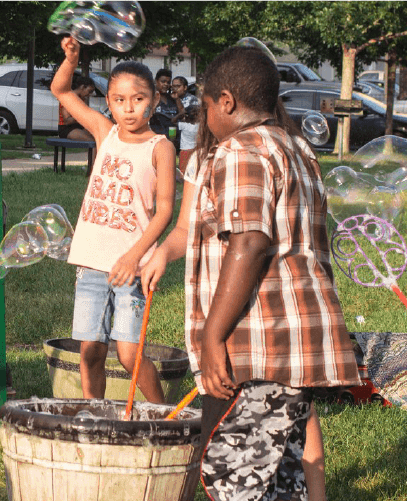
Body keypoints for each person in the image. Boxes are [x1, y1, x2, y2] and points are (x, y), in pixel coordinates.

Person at [141, 46, 360, 500]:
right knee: (277, 479)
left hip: (257, 349)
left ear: (226, 102)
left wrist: (212, 335)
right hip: (294, 346)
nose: (204, 117)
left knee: (231, 474)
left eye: (204, 105)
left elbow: (251, 242)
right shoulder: (296, 147)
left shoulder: (241, 149)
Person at [51, 36, 175, 403]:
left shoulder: (161, 147)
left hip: (131, 268)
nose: (129, 109)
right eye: (119, 100)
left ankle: (163, 417)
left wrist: (134, 256)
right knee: (90, 350)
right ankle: (95, 415)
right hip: (91, 264)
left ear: (153, 100)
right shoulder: (104, 133)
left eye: (138, 99)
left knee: (128, 354)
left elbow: (166, 210)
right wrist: (71, 59)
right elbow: (60, 89)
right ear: (109, 103)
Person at [170, 76, 200, 175]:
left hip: (187, 139)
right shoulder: (169, 98)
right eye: (173, 86)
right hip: (174, 134)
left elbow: (188, 116)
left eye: (178, 86)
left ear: (185, 87)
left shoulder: (192, 100)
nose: (175, 89)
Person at [58, 74, 96, 143]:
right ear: (82, 87)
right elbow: (67, 121)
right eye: (89, 91)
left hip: (78, 126)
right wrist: (83, 116)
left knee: (100, 138)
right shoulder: (68, 98)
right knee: (92, 141)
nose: (89, 94)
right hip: (66, 128)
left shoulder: (82, 99)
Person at [150, 68, 178, 141]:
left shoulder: (172, 99)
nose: (166, 84)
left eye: (168, 82)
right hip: (156, 140)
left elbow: (180, 115)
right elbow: (145, 116)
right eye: (163, 81)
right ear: (156, 81)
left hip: (172, 140)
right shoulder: (150, 99)